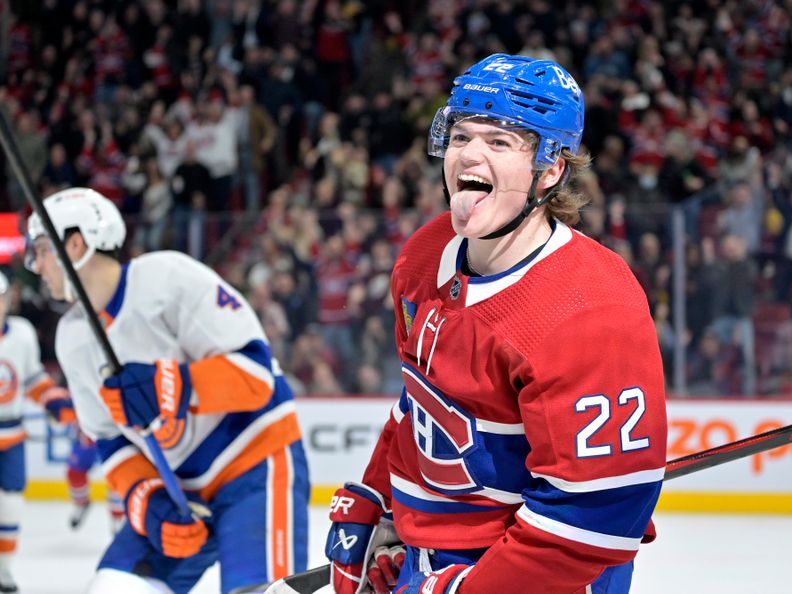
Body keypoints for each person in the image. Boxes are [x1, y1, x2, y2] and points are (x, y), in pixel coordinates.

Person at [325, 54, 667, 594]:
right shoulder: (424, 255)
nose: (469, 154)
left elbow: (592, 521)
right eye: (460, 136)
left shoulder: (592, 309)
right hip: (431, 563)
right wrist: (384, 505)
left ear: (550, 170)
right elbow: (423, 405)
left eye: (500, 142)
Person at [26, 188, 309, 594]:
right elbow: (109, 441)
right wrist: (148, 501)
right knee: (113, 588)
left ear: (76, 243)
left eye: (41, 249)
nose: (36, 266)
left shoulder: (167, 277)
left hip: (253, 465)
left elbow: (257, 376)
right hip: (177, 489)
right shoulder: (72, 339)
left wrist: (168, 385)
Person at [0, 270, 73, 593]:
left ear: (8, 299)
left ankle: (3, 571)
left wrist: (52, 401)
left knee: (12, 505)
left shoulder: (22, 334)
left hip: (12, 435)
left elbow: (32, 379)